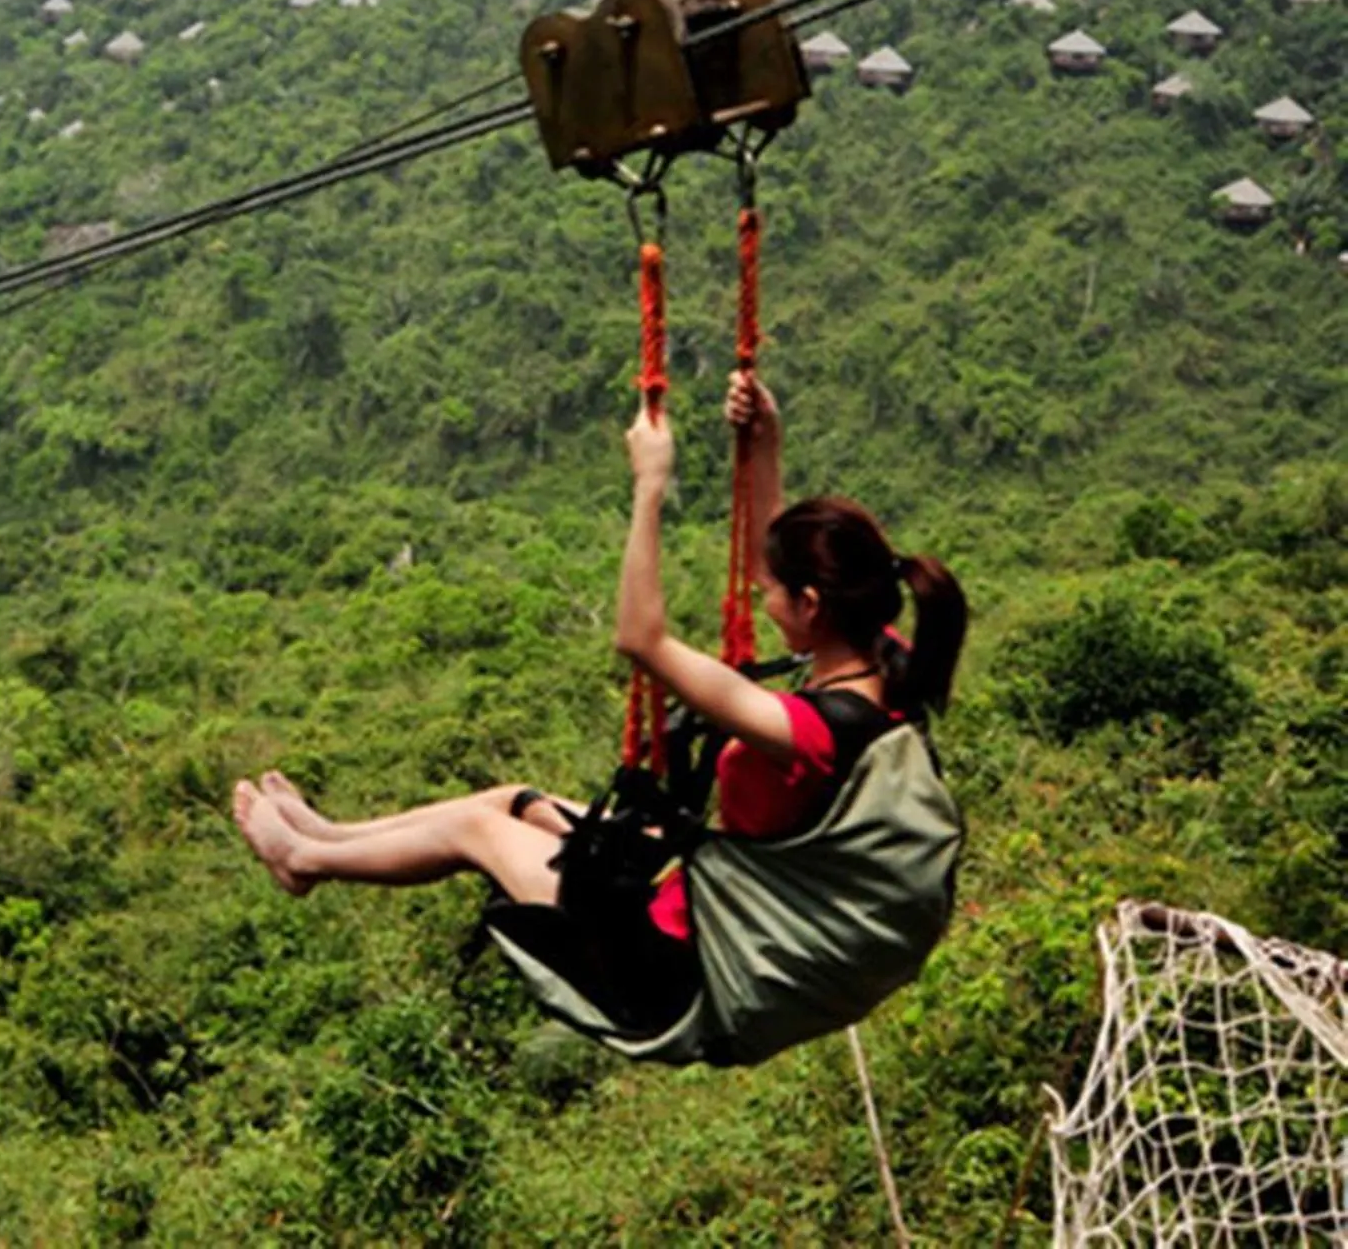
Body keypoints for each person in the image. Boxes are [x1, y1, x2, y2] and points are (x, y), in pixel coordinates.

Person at [231, 369, 968, 1031]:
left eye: (772, 594)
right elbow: (771, 560)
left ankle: (304, 858)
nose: (758, 592)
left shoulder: (804, 731)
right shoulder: (884, 658)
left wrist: (649, 486)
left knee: (477, 833)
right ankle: (327, 836)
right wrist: (762, 442)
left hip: (670, 965)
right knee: (511, 802)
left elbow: (639, 638)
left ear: (811, 606)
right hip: (691, 887)